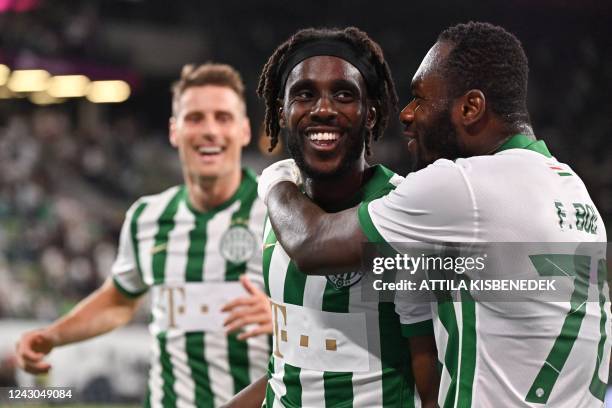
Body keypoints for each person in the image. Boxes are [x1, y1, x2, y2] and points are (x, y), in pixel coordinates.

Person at [259, 22, 610, 407]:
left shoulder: (459, 189)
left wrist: (274, 178)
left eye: (421, 100)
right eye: (305, 95)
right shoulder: (572, 188)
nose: (407, 115)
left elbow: (313, 244)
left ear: (471, 107)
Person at [15, 63, 273, 407]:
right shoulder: (147, 217)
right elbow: (120, 299)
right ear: (174, 131)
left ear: (243, 131)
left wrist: (285, 317)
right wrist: (52, 335)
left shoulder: (279, 213)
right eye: (195, 118)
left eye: (223, 118)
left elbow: (333, 317)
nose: (210, 130)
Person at [228, 27, 439, 408]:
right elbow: (291, 368)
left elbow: (432, 376)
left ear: (370, 114)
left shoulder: (403, 213)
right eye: (305, 94)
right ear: (282, 113)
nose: (323, 109)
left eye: (343, 94)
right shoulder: (280, 210)